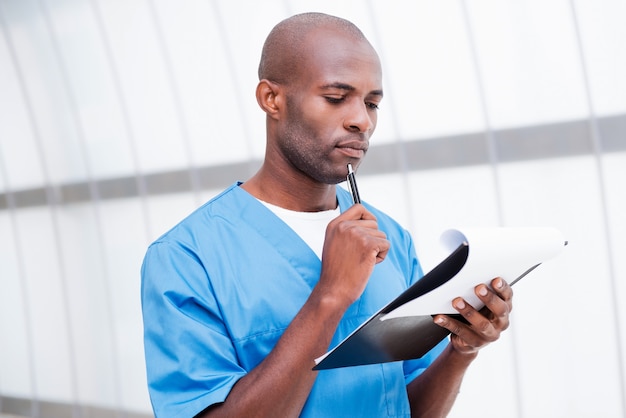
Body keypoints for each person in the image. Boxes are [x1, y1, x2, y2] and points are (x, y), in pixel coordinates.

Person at [141, 12, 513, 418]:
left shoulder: (392, 238)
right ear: (272, 99)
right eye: (337, 98)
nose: (362, 120)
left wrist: (462, 351)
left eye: (372, 103)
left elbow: (408, 407)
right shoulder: (186, 258)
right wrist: (330, 295)